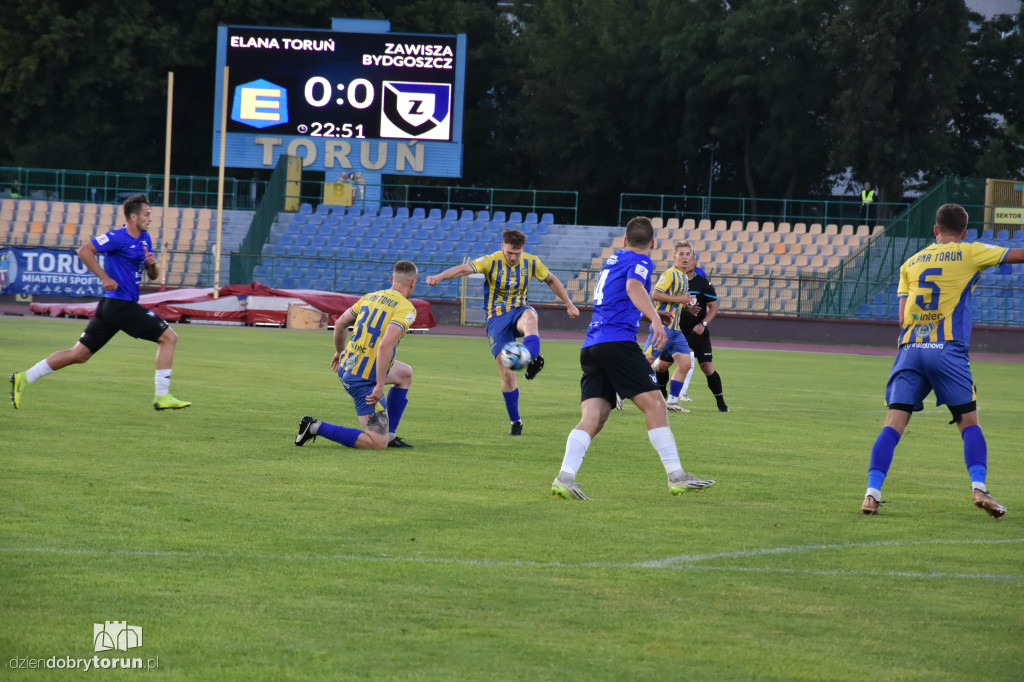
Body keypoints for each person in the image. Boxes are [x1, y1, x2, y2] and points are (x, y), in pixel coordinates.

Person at [861, 203, 1024, 518]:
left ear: (935, 230)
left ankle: (871, 493)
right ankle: (979, 487)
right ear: (963, 233)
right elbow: (1016, 255)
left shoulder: (910, 263)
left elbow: (901, 317)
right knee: (968, 423)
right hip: (946, 349)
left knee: (893, 424)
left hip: (910, 348)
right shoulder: (969, 251)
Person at [551, 217, 715, 500]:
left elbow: (615, 301)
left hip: (592, 346)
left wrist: (647, 313)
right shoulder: (642, 261)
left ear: (624, 240)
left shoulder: (613, 260)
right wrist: (655, 318)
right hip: (617, 345)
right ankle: (676, 476)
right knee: (657, 405)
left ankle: (564, 478)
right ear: (653, 243)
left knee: (595, 416)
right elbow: (633, 289)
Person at [9, 194, 190, 410]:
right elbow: (85, 250)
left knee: (80, 354)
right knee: (169, 337)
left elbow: (152, 276)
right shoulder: (117, 237)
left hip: (111, 307)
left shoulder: (145, 239)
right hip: (120, 306)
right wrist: (104, 277)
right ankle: (162, 396)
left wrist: (153, 264)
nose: (150, 219)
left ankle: (24, 378)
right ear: (133, 216)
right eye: (147, 215)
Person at [425, 229, 579, 436]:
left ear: (523, 249)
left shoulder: (531, 262)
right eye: (509, 253)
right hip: (496, 319)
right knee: (507, 375)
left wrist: (569, 304)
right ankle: (516, 421)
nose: (513, 257)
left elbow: (550, 279)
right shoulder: (491, 261)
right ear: (502, 248)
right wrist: (440, 276)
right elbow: (464, 269)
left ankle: (532, 360)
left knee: (531, 318)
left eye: (517, 253)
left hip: (519, 310)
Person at [295, 260, 419, 450]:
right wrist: (378, 384)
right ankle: (314, 426)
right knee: (377, 444)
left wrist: (339, 351)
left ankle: (390, 434)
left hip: (348, 364)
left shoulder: (371, 297)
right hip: (362, 379)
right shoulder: (406, 308)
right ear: (413, 282)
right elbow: (386, 344)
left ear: (392, 279)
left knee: (404, 374)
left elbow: (340, 324)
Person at [675, 243, 729, 412]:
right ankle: (668, 399)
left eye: (690, 257)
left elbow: (714, 307)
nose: (686, 260)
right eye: (684, 256)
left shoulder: (703, 283)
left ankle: (720, 402)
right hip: (677, 331)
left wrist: (703, 324)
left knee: (707, 367)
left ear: (695, 262)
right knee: (662, 365)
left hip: (698, 333)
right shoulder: (674, 280)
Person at [644, 241, 694, 413]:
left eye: (688, 254)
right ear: (674, 257)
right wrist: (680, 300)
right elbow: (656, 294)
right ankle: (617, 390)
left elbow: (677, 301)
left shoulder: (684, 277)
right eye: (681, 254)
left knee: (686, 364)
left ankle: (672, 401)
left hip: (676, 329)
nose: (685, 257)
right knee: (646, 362)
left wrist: (688, 307)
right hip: (663, 327)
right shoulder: (670, 274)